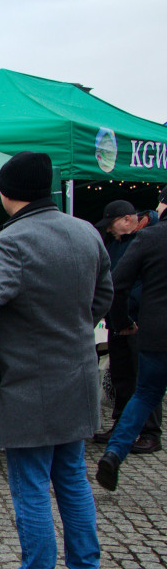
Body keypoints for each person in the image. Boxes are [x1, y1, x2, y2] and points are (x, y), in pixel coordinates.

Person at [0, 151, 112, 569]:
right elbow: (104, 296)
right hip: (77, 373)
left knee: (32, 482)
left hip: (27, 382)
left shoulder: (13, 241)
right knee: (72, 478)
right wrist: (72, 332)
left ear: (5, 192)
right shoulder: (86, 231)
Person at [95, 205, 167, 491]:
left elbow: (117, 284)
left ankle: (114, 453)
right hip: (153, 332)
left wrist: (122, 321)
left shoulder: (149, 238)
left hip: (155, 332)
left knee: (145, 394)